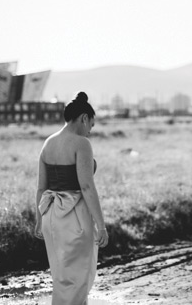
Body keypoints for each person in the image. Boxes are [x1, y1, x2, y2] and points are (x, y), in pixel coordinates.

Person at [34, 92, 109, 304]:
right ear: (84, 118)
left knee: (61, 277)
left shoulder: (47, 143)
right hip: (75, 217)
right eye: (91, 126)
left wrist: (39, 220)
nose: (89, 132)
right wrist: (101, 226)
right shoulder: (81, 144)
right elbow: (86, 186)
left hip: (50, 217)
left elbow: (41, 188)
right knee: (79, 278)